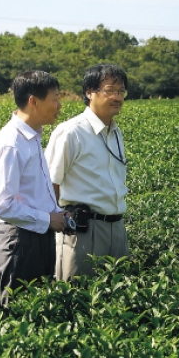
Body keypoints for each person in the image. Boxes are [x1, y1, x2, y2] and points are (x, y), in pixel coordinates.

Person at [0, 70, 68, 305]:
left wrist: (55, 213)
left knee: (41, 312)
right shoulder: (10, 143)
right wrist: (46, 218)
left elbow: (32, 193)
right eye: (54, 98)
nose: (59, 105)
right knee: (20, 314)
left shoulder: (32, 138)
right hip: (20, 240)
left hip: (37, 233)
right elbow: (2, 206)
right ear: (33, 102)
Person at [46, 64, 130, 280]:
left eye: (121, 92)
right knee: (78, 299)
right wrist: (53, 225)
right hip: (83, 230)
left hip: (117, 228)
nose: (117, 97)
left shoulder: (116, 132)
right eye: (110, 90)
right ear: (89, 92)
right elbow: (50, 183)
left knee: (117, 302)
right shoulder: (72, 132)